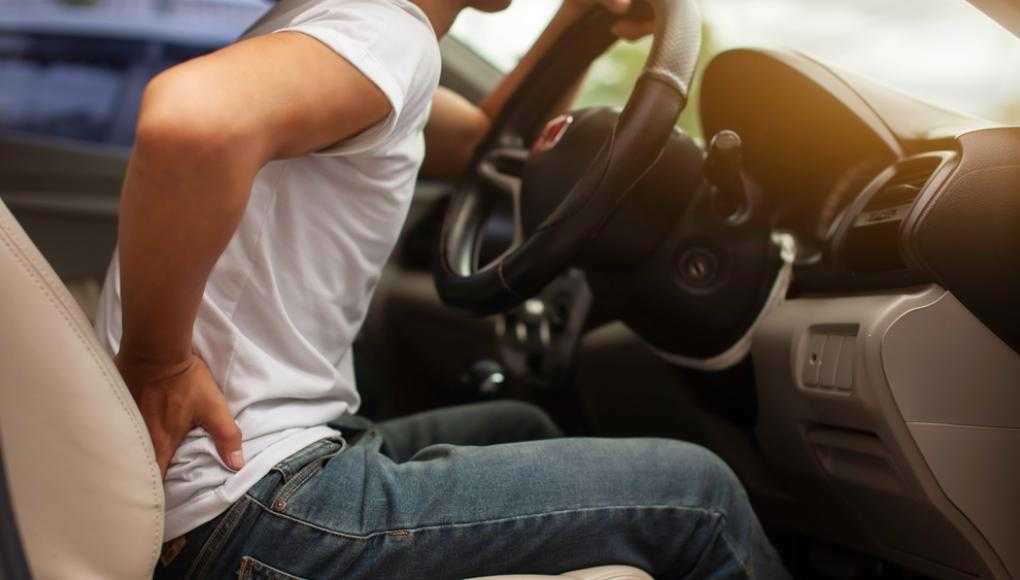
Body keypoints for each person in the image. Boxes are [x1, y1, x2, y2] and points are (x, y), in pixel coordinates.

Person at [95, 0, 790, 577]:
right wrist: (159, 362)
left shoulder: (338, 30)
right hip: (251, 504)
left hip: (218, 490)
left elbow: (483, 142)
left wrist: (586, 23)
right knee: (700, 497)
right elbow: (189, 120)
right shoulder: (383, 32)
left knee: (518, 427)